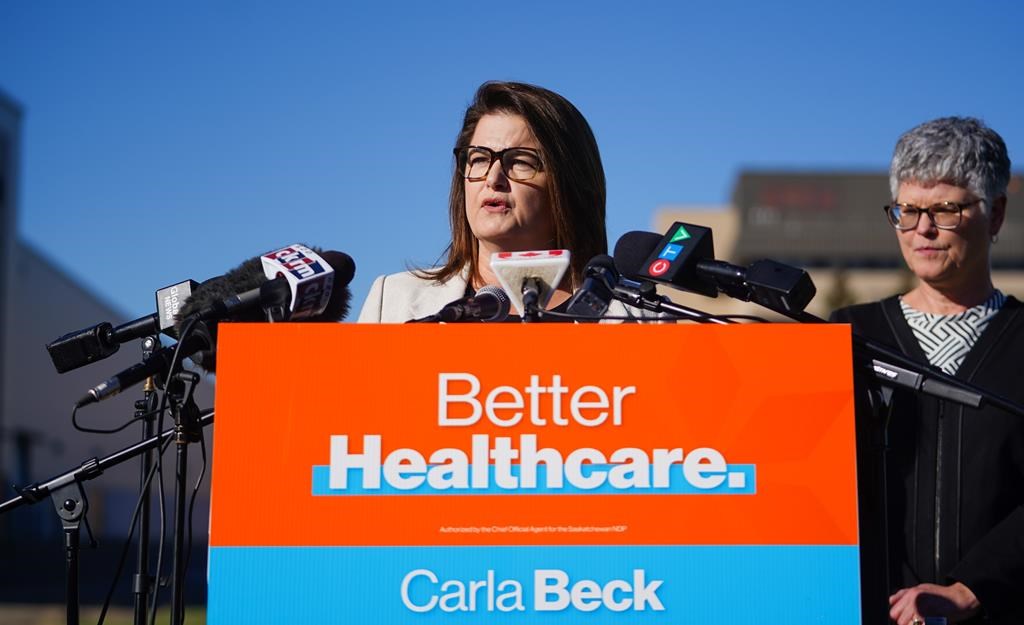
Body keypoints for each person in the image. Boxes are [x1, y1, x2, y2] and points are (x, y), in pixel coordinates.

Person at [831, 117, 1023, 625]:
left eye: (946, 209)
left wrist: (971, 589)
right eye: (909, 211)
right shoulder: (849, 334)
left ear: (996, 213)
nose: (923, 230)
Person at [357, 81, 643, 323]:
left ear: (569, 184)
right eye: (479, 159)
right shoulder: (394, 301)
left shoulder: (637, 314)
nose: (493, 178)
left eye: (519, 161)